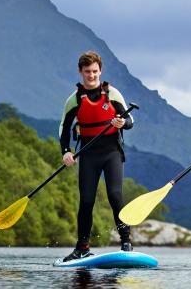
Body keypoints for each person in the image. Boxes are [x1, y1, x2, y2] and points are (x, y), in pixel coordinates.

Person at [58, 51, 135, 261]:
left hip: (111, 152)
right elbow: (64, 129)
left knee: (114, 196)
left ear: (100, 70)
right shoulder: (74, 100)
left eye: (94, 71)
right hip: (88, 154)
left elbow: (130, 122)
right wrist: (66, 151)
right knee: (86, 201)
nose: (91, 75)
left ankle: (126, 242)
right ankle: (82, 247)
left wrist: (122, 123)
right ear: (80, 72)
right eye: (87, 72)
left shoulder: (112, 94)